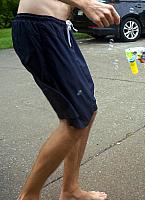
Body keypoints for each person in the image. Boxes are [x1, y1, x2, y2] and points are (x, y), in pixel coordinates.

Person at [12, 0, 120, 200]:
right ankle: (29, 196)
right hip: (40, 27)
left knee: (87, 111)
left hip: (58, 29)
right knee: (75, 118)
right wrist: (86, 4)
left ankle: (70, 189)